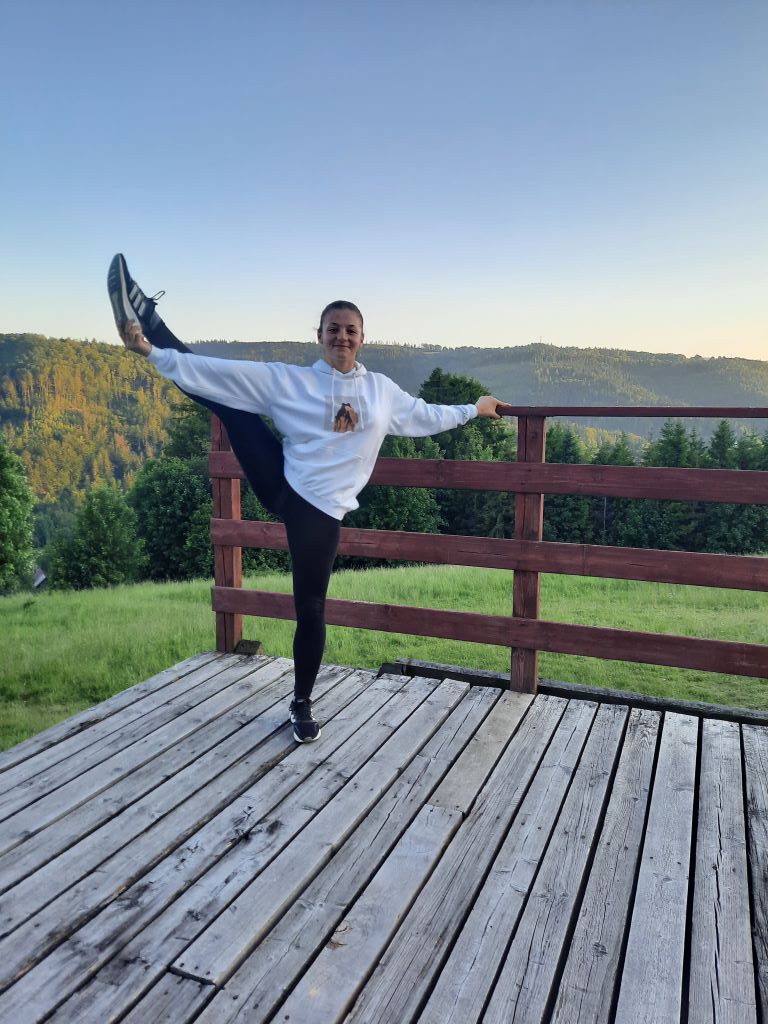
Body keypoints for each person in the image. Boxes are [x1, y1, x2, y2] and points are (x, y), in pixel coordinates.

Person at [108, 254, 503, 743]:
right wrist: (151, 352)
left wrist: (474, 409)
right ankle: (148, 320)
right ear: (319, 336)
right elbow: (219, 373)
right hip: (281, 483)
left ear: (363, 338)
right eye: (333, 329)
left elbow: (426, 415)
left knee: (311, 606)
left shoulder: (381, 392)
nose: (342, 337)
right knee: (230, 403)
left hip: (320, 512)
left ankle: (300, 703)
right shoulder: (291, 381)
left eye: (351, 330)